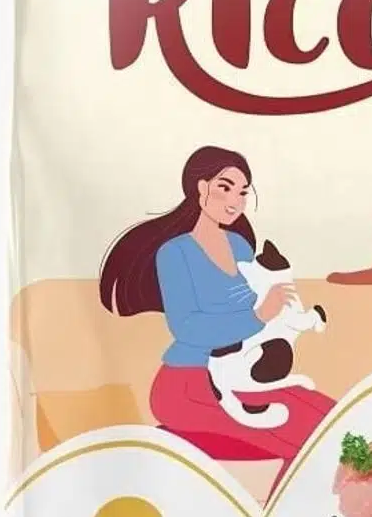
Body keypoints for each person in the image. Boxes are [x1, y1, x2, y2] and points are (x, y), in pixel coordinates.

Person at [100, 145, 334, 462]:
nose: (235, 201)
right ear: (201, 187)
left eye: (243, 192)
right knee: (302, 440)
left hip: (240, 375)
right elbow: (186, 327)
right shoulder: (175, 253)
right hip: (186, 382)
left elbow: (255, 313)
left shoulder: (239, 246)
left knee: (329, 417)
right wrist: (259, 315)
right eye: (225, 188)